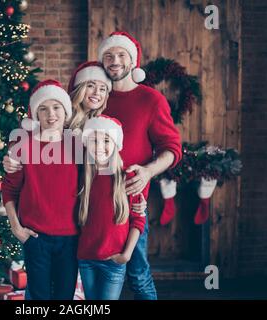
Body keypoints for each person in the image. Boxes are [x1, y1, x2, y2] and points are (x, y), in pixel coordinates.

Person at [97, 31, 182, 300]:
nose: (115, 61)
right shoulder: (95, 97)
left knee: (136, 274)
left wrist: (148, 171)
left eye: (121, 55)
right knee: (94, 274)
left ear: (132, 61)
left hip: (131, 203)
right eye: (109, 56)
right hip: (91, 203)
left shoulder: (150, 100)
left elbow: (172, 149)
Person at [1, 79, 79, 300]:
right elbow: (9, 189)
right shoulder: (22, 145)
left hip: (71, 236)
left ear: (65, 111)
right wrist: (16, 227)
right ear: (35, 115)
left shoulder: (78, 143)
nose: (50, 114)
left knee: (65, 296)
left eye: (56, 107)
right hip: (36, 236)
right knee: (39, 296)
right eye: (43, 109)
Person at [77, 115, 147, 300]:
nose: (100, 146)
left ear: (116, 144)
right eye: (94, 140)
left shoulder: (128, 177)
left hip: (114, 261)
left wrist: (126, 255)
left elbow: (138, 220)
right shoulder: (83, 178)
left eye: (106, 140)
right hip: (86, 258)